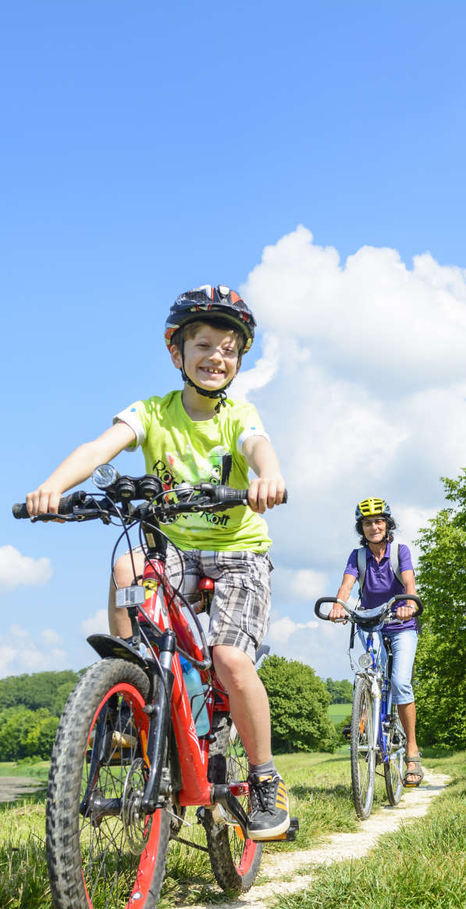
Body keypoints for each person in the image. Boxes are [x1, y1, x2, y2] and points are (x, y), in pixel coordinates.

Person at [24, 284, 291, 839]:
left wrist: (268, 476)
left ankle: (265, 779)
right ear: (177, 352)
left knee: (229, 660)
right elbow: (99, 449)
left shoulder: (238, 415)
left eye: (229, 348)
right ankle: (132, 700)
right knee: (126, 570)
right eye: (203, 344)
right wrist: (51, 489)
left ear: (239, 359)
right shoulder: (150, 412)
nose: (216, 356)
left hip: (238, 553)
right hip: (170, 548)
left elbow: (257, 448)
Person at [329, 498, 424, 787]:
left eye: (379, 521)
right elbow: (346, 585)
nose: (374, 526)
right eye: (368, 522)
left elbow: (409, 583)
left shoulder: (399, 551)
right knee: (373, 675)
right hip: (371, 622)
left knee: (400, 682)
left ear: (387, 524)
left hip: (402, 624)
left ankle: (412, 752)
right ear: (362, 527)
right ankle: (369, 714)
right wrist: (338, 605)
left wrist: (409, 602)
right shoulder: (357, 556)